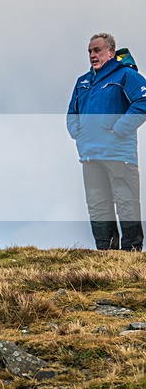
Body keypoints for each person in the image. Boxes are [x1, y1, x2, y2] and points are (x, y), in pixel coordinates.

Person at [67, 33, 146, 251]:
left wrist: (119, 129)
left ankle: (131, 252)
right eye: (90, 51)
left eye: (97, 50)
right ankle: (105, 253)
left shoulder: (126, 75)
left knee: (126, 203)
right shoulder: (83, 82)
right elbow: (72, 112)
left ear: (111, 52)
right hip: (90, 155)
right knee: (98, 205)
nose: (92, 55)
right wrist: (78, 134)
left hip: (119, 154)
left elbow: (143, 102)